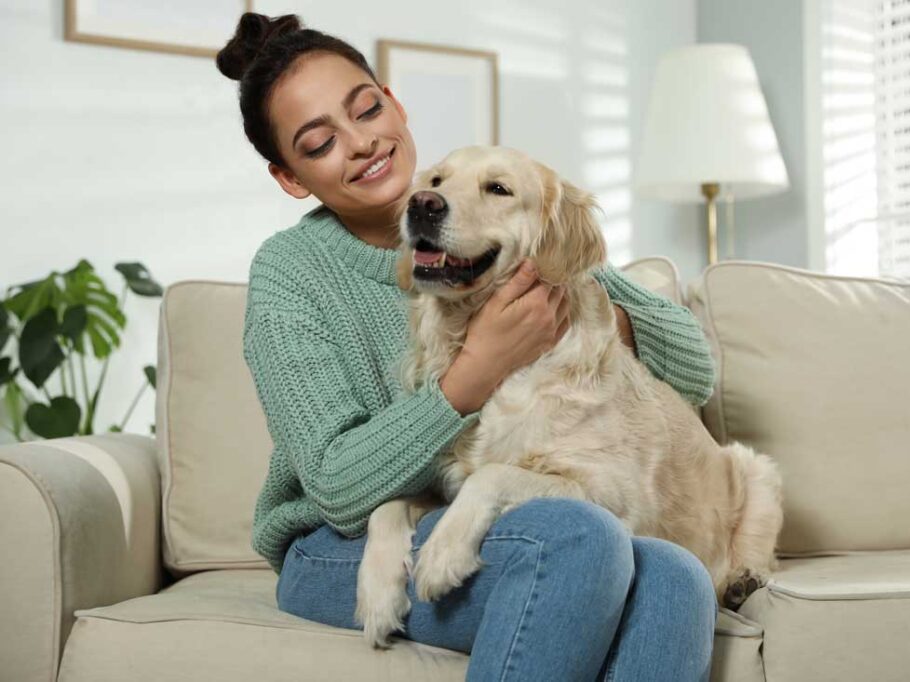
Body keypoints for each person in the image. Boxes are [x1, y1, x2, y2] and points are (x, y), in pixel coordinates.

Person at [219, 12, 720, 682]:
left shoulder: (489, 218)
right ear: (290, 177)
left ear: (394, 104)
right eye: (319, 143)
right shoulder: (291, 272)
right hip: (335, 545)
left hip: (465, 516)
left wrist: (576, 317)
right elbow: (337, 488)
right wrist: (477, 370)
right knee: (581, 540)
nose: (362, 142)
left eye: (366, 109)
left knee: (678, 575)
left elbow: (693, 366)